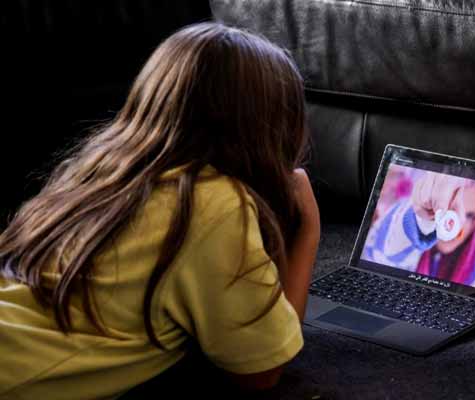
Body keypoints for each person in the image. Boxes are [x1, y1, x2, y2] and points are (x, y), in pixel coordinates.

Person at [0, 23, 320, 399]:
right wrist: (310, 228)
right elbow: (263, 369)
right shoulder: (213, 203)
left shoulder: (101, 167)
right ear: (268, 128)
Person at [362, 171, 475, 286]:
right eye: (451, 209)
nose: (458, 224)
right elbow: (388, 250)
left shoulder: (473, 275)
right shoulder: (403, 239)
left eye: (470, 215)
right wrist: (422, 218)